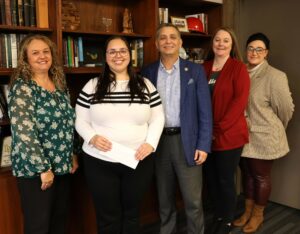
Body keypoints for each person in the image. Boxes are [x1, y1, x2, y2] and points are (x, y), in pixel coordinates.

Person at [75, 36, 164, 234]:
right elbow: (80, 120)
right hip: (99, 161)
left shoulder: (145, 85)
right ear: (105, 57)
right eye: (112, 51)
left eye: (122, 51)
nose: (118, 55)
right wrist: (92, 137)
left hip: (138, 160)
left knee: (132, 214)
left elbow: (158, 117)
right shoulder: (92, 86)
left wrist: (150, 143)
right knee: (108, 217)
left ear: (129, 55)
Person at [141, 23, 213, 234]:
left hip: (188, 143)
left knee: (193, 201)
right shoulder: (148, 72)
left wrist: (203, 144)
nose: (168, 41)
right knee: (164, 200)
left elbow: (205, 112)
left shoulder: (196, 71)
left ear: (180, 42)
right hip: (159, 143)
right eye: (163, 37)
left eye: (173, 37)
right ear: (156, 43)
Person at [8, 34, 78, 234]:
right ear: (25, 58)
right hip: (36, 171)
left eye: (46, 51)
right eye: (35, 52)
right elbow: (24, 132)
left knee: (59, 222)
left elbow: (69, 123)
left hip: (62, 167)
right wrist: (43, 168)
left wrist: (73, 153)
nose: (42, 56)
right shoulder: (23, 88)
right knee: (39, 226)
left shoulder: (59, 84)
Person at [233, 33, 294, 233]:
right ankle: (247, 211)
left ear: (266, 53)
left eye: (259, 49)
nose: (254, 52)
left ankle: (258, 215)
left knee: (260, 177)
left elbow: (286, 109)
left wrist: (274, 128)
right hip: (241, 136)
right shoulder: (239, 70)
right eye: (251, 48)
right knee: (247, 175)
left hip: (264, 137)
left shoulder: (275, 76)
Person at [203, 27, 250, 234]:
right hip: (206, 136)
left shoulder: (238, 68)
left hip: (228, 136)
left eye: (226, 41)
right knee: (211, 180)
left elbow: (239, 103)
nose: (221, 44)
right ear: (212, 43)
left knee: (225, 180)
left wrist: (217, 128)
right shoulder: (202, 68)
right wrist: (205, 131)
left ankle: (228, 220)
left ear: (232, 46)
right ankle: (219, 215)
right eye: (217, 40)